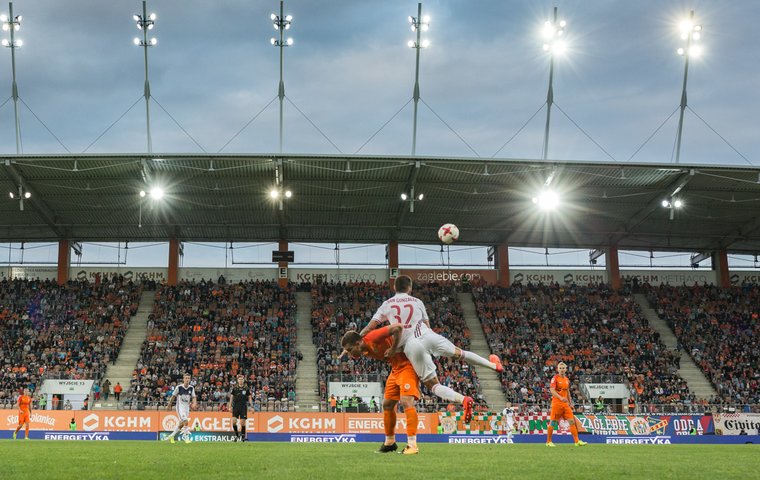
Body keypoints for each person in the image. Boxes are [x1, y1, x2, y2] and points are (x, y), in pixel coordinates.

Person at [360, 275, 504, 423]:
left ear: (395, 288)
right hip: (428, 335)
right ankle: (493, 365)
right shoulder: (417, 302)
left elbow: (370, 327)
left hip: (411, 345)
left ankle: (464, 399)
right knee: (460, 353)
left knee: (434, 385)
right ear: (410, 288)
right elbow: (427, 324)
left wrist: (355, 339)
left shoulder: (387, 304)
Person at [341, 324, 422, 454]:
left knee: (406, 401)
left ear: (357, 343)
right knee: (388, 404)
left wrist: (393, 348)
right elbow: (356, 341)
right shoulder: (363, 348)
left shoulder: (372, 337)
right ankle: (390, 442)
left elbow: (398, 328)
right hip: (396, 368)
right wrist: (347, 349)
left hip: (408, 364)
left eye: (350, 350)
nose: (350, 354)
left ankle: (412, 445)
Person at [545, 362, 587, 447]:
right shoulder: (555, 378)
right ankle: (548, 442)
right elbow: (552, 390)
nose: (562, 370)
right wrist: (560, 398)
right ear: (558, 369)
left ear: (566, 369)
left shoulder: (567, 380)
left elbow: (567, 392)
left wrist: (570, 403)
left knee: (571, 421)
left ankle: (577, 441)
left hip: (565, 405)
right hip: (557, 404)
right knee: (553, 422)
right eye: (560, 368)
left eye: (563, 368)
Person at [165, 374, 197, 444]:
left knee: (181, 424)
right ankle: (186, 438)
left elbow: (194, 397)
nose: (187, 379)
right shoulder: (179, 387)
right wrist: (169, 405)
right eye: (186, 378)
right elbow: (173, 396)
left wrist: (194, 403)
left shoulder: (191, 388)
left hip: (186, 408)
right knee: (185, 421)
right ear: (183, 379)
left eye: (188, 378)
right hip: (180, 407)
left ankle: (171, 436)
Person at [229, 374, 252, 442]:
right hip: (236, 406)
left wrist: (251, 406)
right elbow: (231, 397)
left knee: (242, 423)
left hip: (243, 407)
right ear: (237, 380)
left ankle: (243, 436)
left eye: (242, 379)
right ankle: (236, 435)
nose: (240, 380)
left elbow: (249, 397)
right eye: (239, 379)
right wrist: (230, 406)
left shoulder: (246, 388)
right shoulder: (235, 388)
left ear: (243, 380)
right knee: (233, 422)